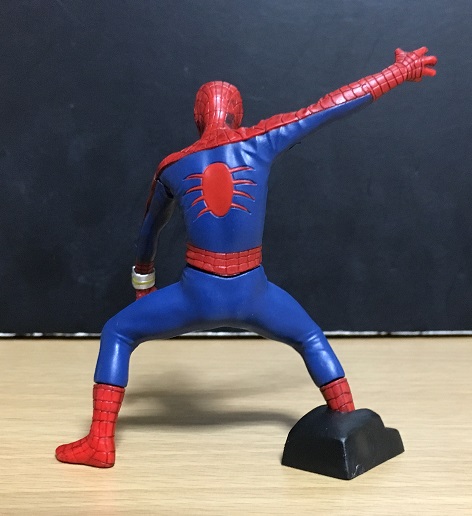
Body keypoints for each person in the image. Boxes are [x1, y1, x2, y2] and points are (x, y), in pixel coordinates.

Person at [56, 47, 437, 468]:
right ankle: (347, 421)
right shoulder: (262, 140)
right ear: (237, 114)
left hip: (195, 295)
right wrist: (398, 72)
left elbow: (149, 234)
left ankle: (100, 441)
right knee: (310, 338)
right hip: (254, 292)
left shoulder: (172, 167)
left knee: (118, 332)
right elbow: (332, 106)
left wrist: (143, 286)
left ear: (198, 116)